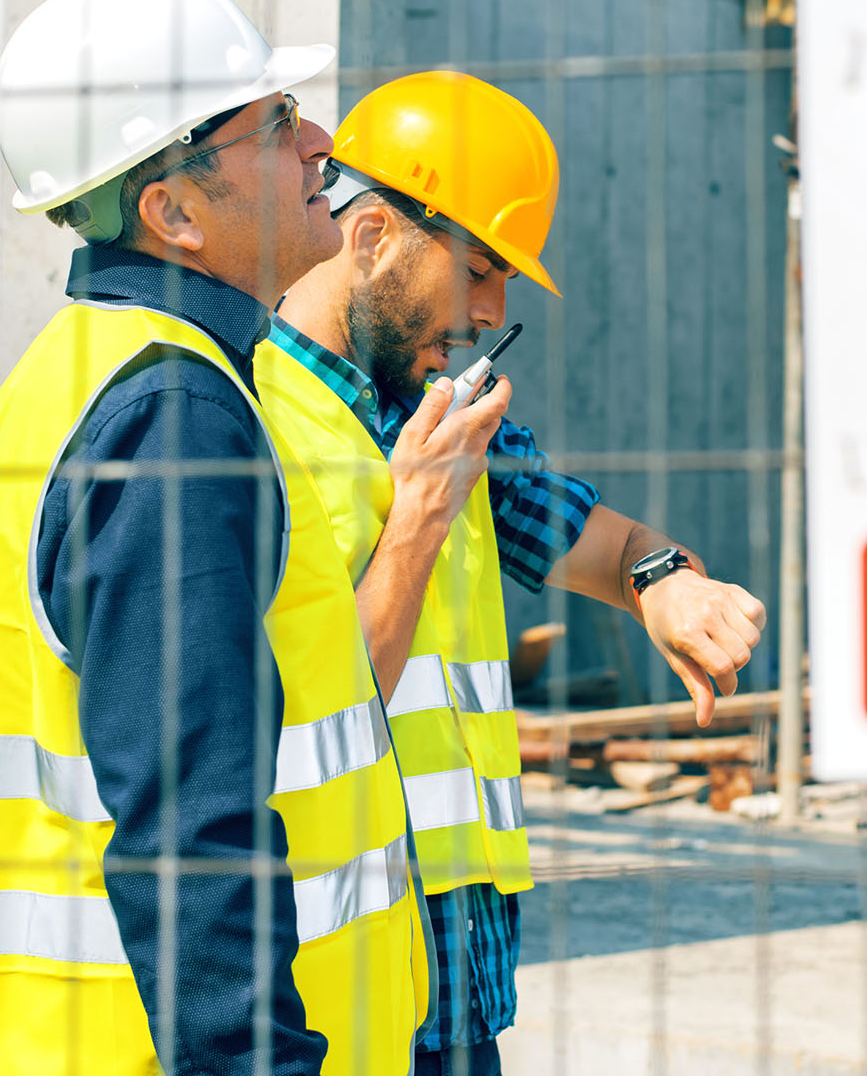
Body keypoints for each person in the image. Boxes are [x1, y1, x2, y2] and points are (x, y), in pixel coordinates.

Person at [0, 0, 478, 1076]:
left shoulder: (97, 378)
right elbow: (190, 824)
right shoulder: (171, 415)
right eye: (278, 122)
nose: (321, 147)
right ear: (174, 211)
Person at [261, 70, 771, 1075]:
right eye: (480, 270)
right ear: (373, 238)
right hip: (334, 994)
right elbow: (287, 714)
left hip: (460, 988)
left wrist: (666, 581)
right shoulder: (245, 421)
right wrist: (413, 518)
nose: (489, 311)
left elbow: (613, 548)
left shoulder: (446, 414)